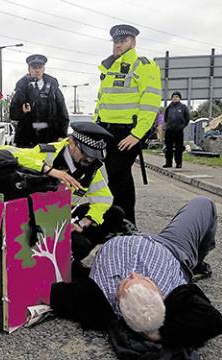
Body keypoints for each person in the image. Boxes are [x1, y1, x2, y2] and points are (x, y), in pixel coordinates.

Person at [50, 196, 221, 350]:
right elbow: (213, 320)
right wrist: (157, 333)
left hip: (135, 240)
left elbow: (53, 292)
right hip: (172, 245)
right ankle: (197, 262)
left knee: (108, 209)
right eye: (144, 280)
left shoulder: (96, 300)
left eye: (125, 283)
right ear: (160, 294)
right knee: (203, 204)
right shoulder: (174, 297)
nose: (133, 274)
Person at [0, 122, 132, 264]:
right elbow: (8, 153)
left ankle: (69, 258)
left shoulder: (92, 168)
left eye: (93, 158)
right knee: (79, 244)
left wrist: (84, 223)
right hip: (38, 218)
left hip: (64, 216)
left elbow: (103, 199)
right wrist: (50, 170)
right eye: (85, 155)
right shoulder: (48, 152)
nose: (88, 161)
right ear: (71, 143)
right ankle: (62, 259)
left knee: (116, 213)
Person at [94, 25, 162, 225]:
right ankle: (126, 224)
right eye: (116, 41)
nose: (118, 45)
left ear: (133, 42)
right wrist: (96, 127)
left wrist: (137, 134)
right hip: (106, 130)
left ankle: (115, 225)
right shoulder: (110, 67)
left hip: (126, 132)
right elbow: (102, 102)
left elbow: (150, 103)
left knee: (115, 180)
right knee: (121, 180)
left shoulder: (143, 65)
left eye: (123, 40)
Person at [10, 54, 70, 148]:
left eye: (40, 67)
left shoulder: (53, 87)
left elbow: (63, 114)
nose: (37, 70)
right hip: (26, 141)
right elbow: (13, 114)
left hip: (50, 140)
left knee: (48, 163)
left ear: (43, 68)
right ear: (29, 69)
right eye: (34, 67)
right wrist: (22, 112)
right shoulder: (21, 88)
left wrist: (62, 135)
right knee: (26, 163)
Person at [163, 91, 190, 168]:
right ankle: (168, 163)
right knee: (168, 148)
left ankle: (178, 163)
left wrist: (182, 126)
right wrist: (167, 126)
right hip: (169, 130)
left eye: (177, 97)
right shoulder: (169, 108)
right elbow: (165, 118)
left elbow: (187, 118)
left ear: (179, 98)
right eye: (173, 97)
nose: (175, 98)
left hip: (179, 131)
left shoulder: (183, 107)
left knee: (179, 148)